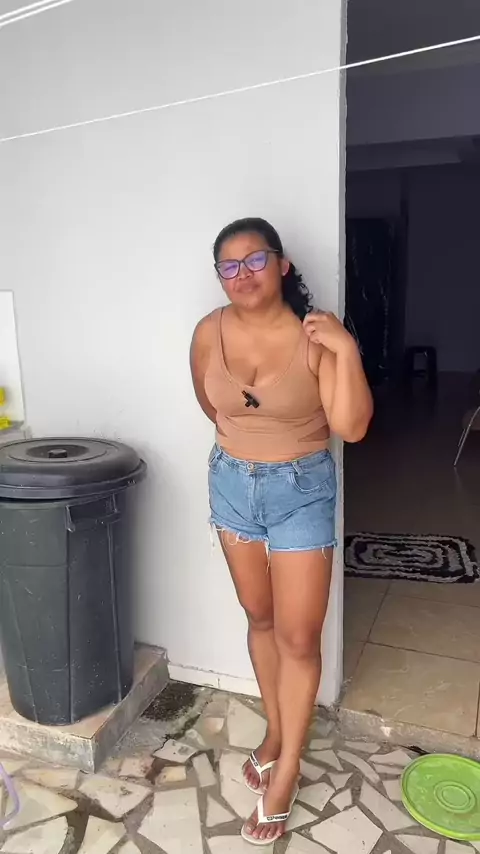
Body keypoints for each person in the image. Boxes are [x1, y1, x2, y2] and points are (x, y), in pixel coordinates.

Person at [190, 217, 373, 846]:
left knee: (298, 636)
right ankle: (275, 731)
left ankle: (288, 766)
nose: (242, 274)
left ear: (283, 264)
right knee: (259, 615)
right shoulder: (208, 332)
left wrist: (346, 350)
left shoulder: (316, 336)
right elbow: (210, 403)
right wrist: (247, 444)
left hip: (301, 490)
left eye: (255, 259)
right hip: (231, 483)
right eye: (229, 266)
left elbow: (351, 427)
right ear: (220, 276)